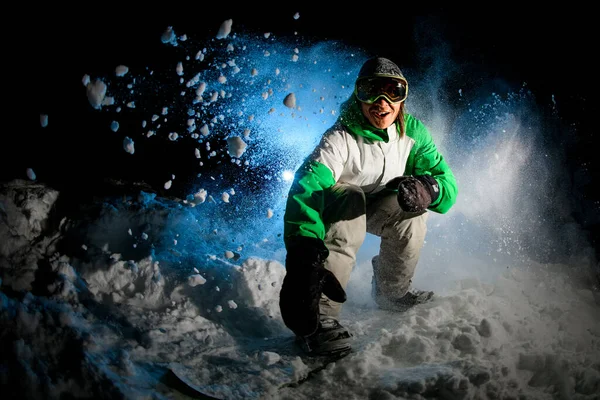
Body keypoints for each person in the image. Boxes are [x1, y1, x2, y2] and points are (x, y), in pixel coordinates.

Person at [279, 57, 458, 355]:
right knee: (350, 196)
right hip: (338, 210)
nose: (381, 103)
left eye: (393, 93)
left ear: (402, 99)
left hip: (376, 208)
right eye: (370, 92)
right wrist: (302, 250)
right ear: (357, 95)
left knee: (412, 215)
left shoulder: (413, 134)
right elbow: (306, 187)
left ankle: (392, 292)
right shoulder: (340, 137)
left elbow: (447, 182)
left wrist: (429, 189)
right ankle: (320, 316)